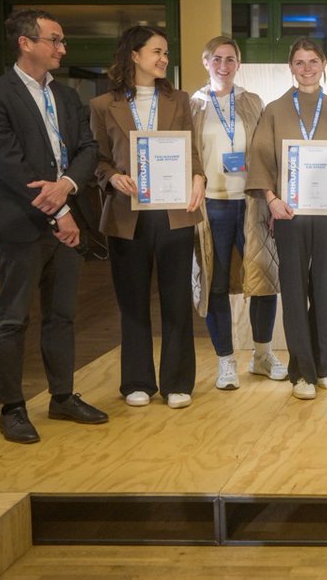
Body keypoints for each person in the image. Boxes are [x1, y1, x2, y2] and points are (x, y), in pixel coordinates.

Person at [0, 9, 107, 444]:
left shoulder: (66, 97)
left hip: (66, 221)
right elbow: (11, 164)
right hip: (23, 225)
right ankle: (11, 408)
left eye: (63, 41)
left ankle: (62, 396)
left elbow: (88, 148)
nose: (62, 49)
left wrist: (68, 185)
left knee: (62, 316)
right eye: (55, 40)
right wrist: (58, 212)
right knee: (12, 319)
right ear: (25, 43)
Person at [90, 25, 205, 409]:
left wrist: (199, 178)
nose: (164, 59)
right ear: (134, 55)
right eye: (157, 52)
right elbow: (98, 160)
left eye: (166, 53)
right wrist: (113, 177)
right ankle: (137, 381)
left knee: (176, 300)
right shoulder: (104, 105)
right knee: (132, 301)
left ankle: (177, 382)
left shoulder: (179, 100)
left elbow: (192, 152)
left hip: (174, 212)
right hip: (127, 214)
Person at [247, 38, 327, 400]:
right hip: (289, 213)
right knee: (295, 291)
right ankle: (301, 372)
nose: (307, 68)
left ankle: (324, 365)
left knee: (323, 288)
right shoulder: (275, 110)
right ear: (291, 67)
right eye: (299, 62)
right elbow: (261, 160)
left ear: (324, 64)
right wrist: (272, 199)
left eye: (313, 61)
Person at [190, 36, 284, 391]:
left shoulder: (252, 102)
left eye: (231, 59)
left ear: (239, 63)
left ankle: (262, 355)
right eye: (217, 59)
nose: (224, 66)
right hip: (211, 205)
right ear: (206, 62)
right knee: (215, 282)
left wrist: (271, 197)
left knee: (263, 279)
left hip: (251, 201)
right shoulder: (193, 105)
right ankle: (225, 360)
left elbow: (265, 153)